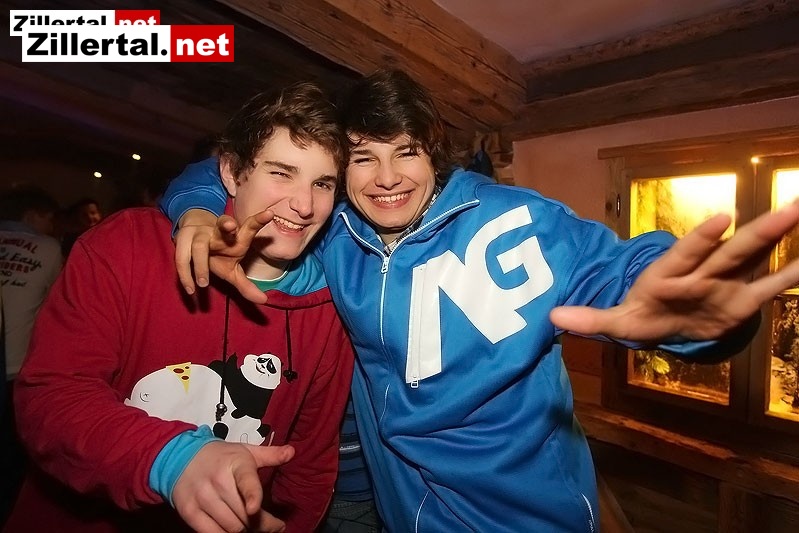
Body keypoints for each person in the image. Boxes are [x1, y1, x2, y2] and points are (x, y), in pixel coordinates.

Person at [159, 69, 799, 532]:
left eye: (406, 152)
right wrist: (197, 211)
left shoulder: (516, 220)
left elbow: (621, 271)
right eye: (363, 158)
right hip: (404, 513)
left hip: (528, 516)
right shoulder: (335, 234)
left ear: (433, 154)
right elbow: (223, 168)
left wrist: (696, 318)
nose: (387, 178)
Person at [5, 82, 354, 533]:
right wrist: (172, 459)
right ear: (230, 171)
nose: (304, 205)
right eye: (282, 173)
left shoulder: (329, 306)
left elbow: (308, 461)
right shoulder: (127, 245)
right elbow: (50, 398)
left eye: (322, 183)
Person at [0, 186, 62, 527]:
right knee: (12, 459)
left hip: (12, 365)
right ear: (31, 214)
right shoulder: (48, 247)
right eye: (47, 217)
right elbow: (58, 305)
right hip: (16, 367)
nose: (51, 225)